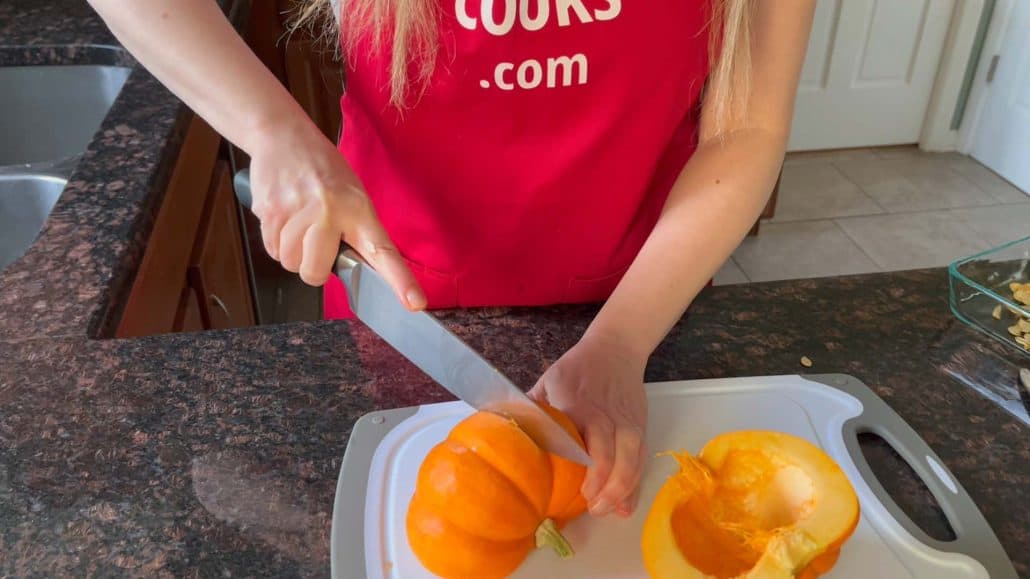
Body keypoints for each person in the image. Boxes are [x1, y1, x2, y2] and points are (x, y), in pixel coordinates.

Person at [88, 0, 816, 519]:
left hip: (651, 296)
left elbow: (746, 128)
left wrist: (621, 341)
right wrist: (273, 129)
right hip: (405, 305)